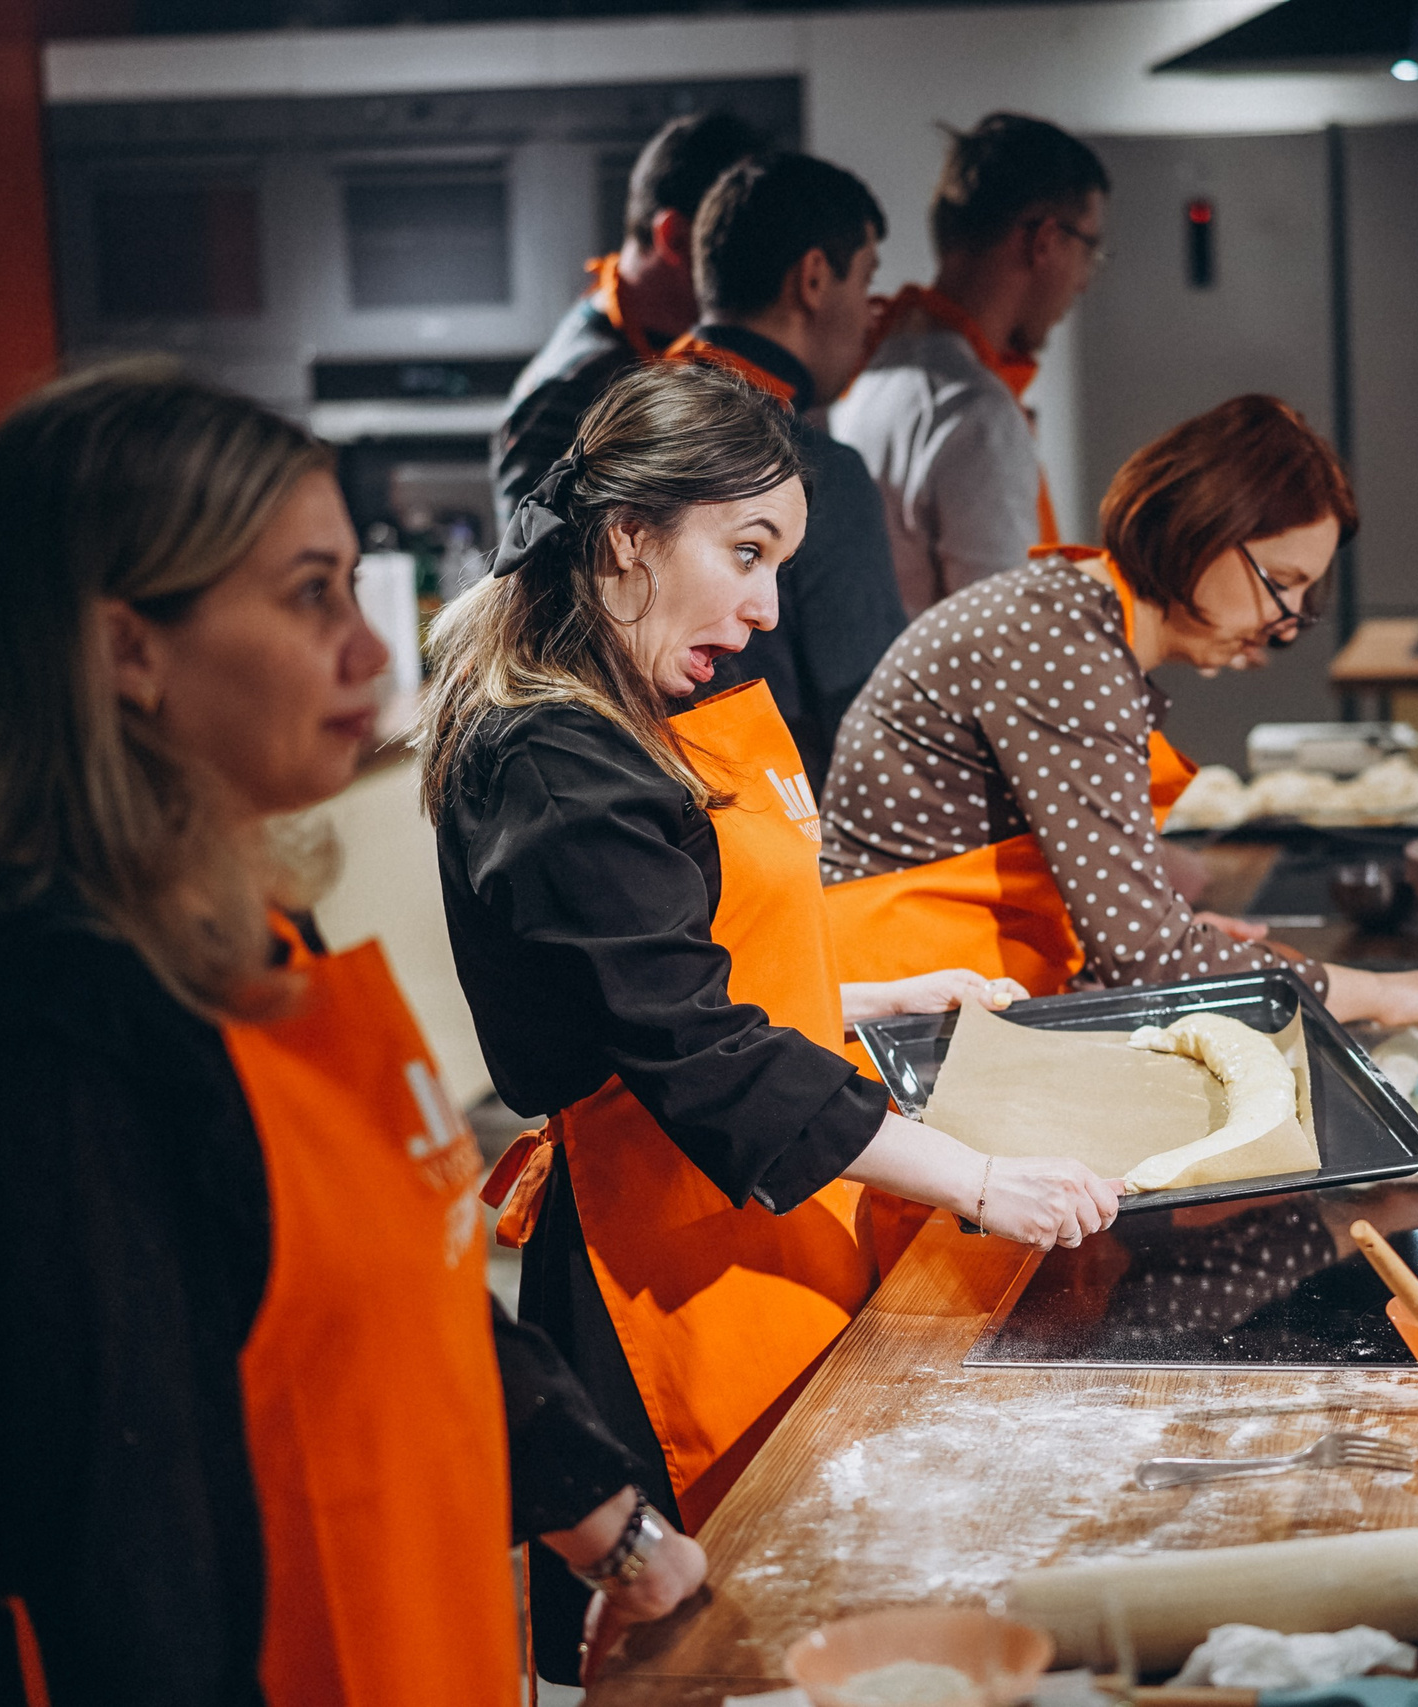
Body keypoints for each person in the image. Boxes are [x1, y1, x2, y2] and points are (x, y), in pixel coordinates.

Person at [0, 364, 702, 1707]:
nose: (368, 651)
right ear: (127, 650)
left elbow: (408, 1282)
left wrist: (614, 1531)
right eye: (311, 595)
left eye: (355, 586)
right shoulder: (31, 1039)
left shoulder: (257, 942)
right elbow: (119, 1568)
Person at [426, 360, 1116, 1664]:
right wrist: (983, 1177)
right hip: (662, 1277)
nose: (763, 606)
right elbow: (698, 1053)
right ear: (630, 533)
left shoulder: (635, 711)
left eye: (779, 560)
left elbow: (671, 980)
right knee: (721, 1646)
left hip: (752, 1227)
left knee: (812, 1613)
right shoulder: (558, 756)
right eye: (746, 551)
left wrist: (882, 990)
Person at [820, 394, 1418, 1038]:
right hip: (901, 1022)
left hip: (954, 994)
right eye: (1280, 584)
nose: (1284, 626)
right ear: (1205, 528)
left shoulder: (1068, 619)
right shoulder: (1063, 649)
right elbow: (1146, 957)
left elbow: (1126, 926)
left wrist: (1176, 928)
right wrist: (1382, 992)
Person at [654, 149, 908, 789]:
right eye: (867, 282)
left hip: (629, 830)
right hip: (772, 846)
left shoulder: (608, 439)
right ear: (815, 278)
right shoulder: (816, 474)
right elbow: (873, 723)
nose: (871, 314)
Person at [828, 113, 1108, 615]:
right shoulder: (973, 411)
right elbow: (1004, 640)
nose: (1085, 281)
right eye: (1089, 249)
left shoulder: (871, 372)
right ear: (1044, 239)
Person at [494, 110, 767, 529]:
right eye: (739, 242)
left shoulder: (662, 348)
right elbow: (531, 573)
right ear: (676, 238)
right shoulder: (574, 389)